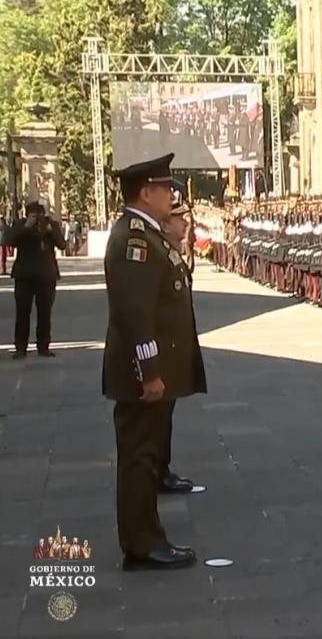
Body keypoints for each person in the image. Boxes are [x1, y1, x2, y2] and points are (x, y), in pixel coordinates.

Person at [104, 153, 206, 571]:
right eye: (165, 188)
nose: (172, 195)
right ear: (145, 193)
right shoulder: (135, 239)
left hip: (156, 369)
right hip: (143, 373)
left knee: (144, 457)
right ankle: (142, 543)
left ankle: (145, 536)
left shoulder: (149, 234)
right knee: (139, 458)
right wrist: (149, 374)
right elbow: (136, 314)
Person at [156, 195, 200, 495]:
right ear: (164, 222)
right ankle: (156, 472)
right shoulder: (155, 250)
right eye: (179, 217)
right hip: (158, 352)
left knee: (164, 416)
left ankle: (161, 468)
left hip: (170, 350)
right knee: (155, 419)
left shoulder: (171, 250)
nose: (185, 222)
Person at [5, 198, 66, 359]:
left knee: (45, 312)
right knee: (22, 312)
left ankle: (43, 346)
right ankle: (20, 347)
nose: (37, 217)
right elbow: (8, 241)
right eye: (33, 215)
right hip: (24, 275)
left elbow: (62, 245)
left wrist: (50, 231)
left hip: (46, 274)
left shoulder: (51, 225)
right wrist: (26, 227)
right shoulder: (20, 225)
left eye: (39, 214)